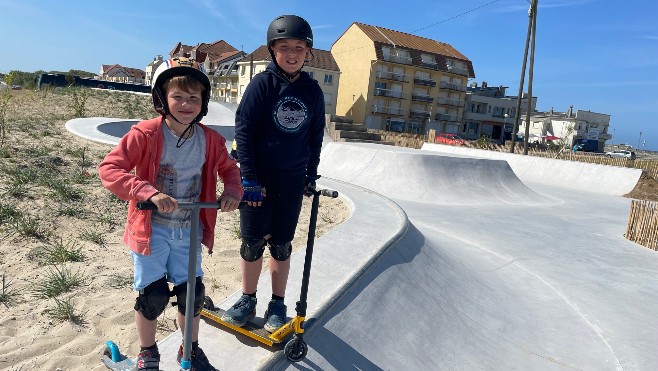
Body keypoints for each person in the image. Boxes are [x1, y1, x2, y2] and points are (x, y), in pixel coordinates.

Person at [98, 57, 242, 371]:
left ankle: (189, 349)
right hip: (151, 230)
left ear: (203, 103)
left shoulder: (211, 140)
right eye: (178, 96)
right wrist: (147, 191)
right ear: (162, 98)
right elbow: (109, 169)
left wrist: (232, 191)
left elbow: (230, 171)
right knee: (153, 296)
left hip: (188, 230)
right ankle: (148, 352)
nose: (186, 104)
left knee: (193, 295)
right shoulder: (146, 134)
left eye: (194, 98)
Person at [221, 14, 325, 333]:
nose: (291, 53)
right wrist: (249, 178)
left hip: (291, 181)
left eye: (298, 47)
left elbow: (315, 136)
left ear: (308, 52)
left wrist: (310, 174)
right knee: (252, 243)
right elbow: (244, 130)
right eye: (284, 47)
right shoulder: (262, 84)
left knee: (281, 244)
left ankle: (277, 303)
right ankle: (247, 298)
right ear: (272, 51)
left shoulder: (312, 91)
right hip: (258, 181)